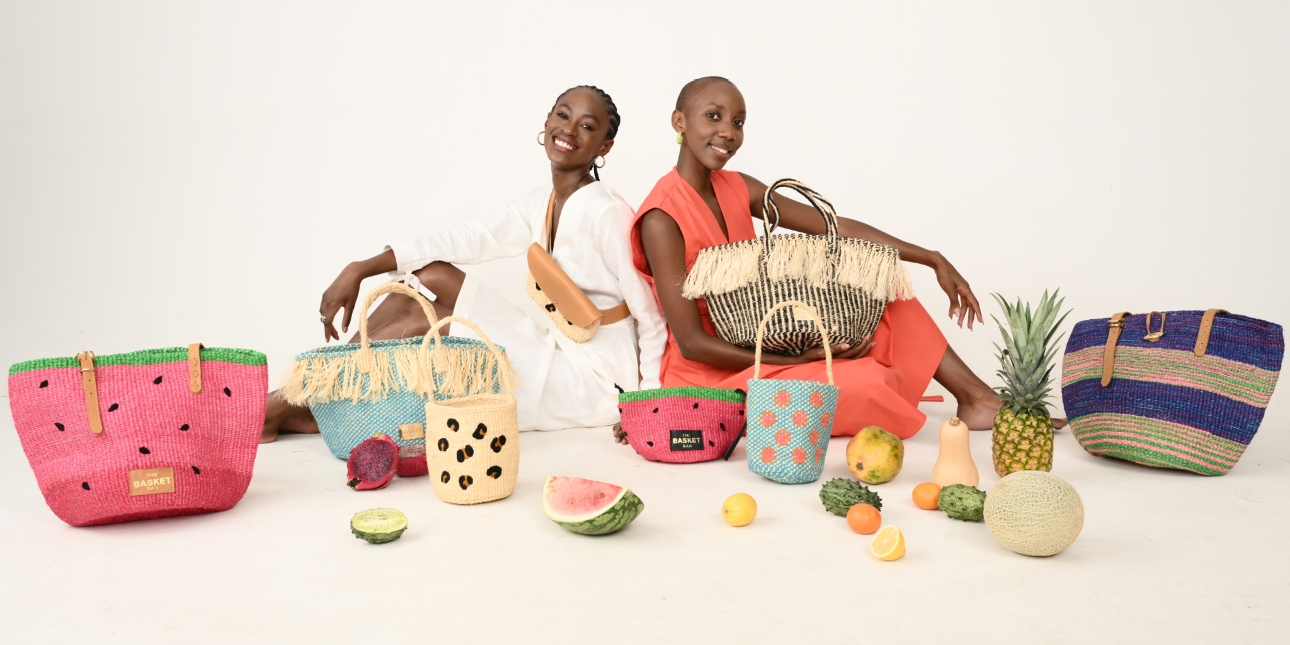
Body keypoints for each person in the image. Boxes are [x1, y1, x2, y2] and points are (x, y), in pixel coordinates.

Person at [624, 76, 1043, 441]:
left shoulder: (737, 186)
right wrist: (794, 360)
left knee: (887, 293)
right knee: (865, 381)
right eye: (713, 116)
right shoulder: (662, 217)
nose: (728, 132)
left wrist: (930, 258)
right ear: (679, 122)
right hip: (716, 374)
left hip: (764, 333)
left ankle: (977, 399)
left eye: (738, 122)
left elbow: (832, 226)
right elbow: (694, 345)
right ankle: (844, 382)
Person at [263, 85, 667, 442]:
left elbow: (650, 317)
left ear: (604, 147)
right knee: (428, 278)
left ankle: (296, 398)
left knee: (430, 318)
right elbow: (469, 238)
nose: (569, 129)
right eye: (563, 115)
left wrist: (646, 406)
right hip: (558, 345)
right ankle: (318, 394)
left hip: (596, 380)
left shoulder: (606, 212)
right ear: (546, 121)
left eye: (587, 125)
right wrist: (361, 267)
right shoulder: (541, 200)